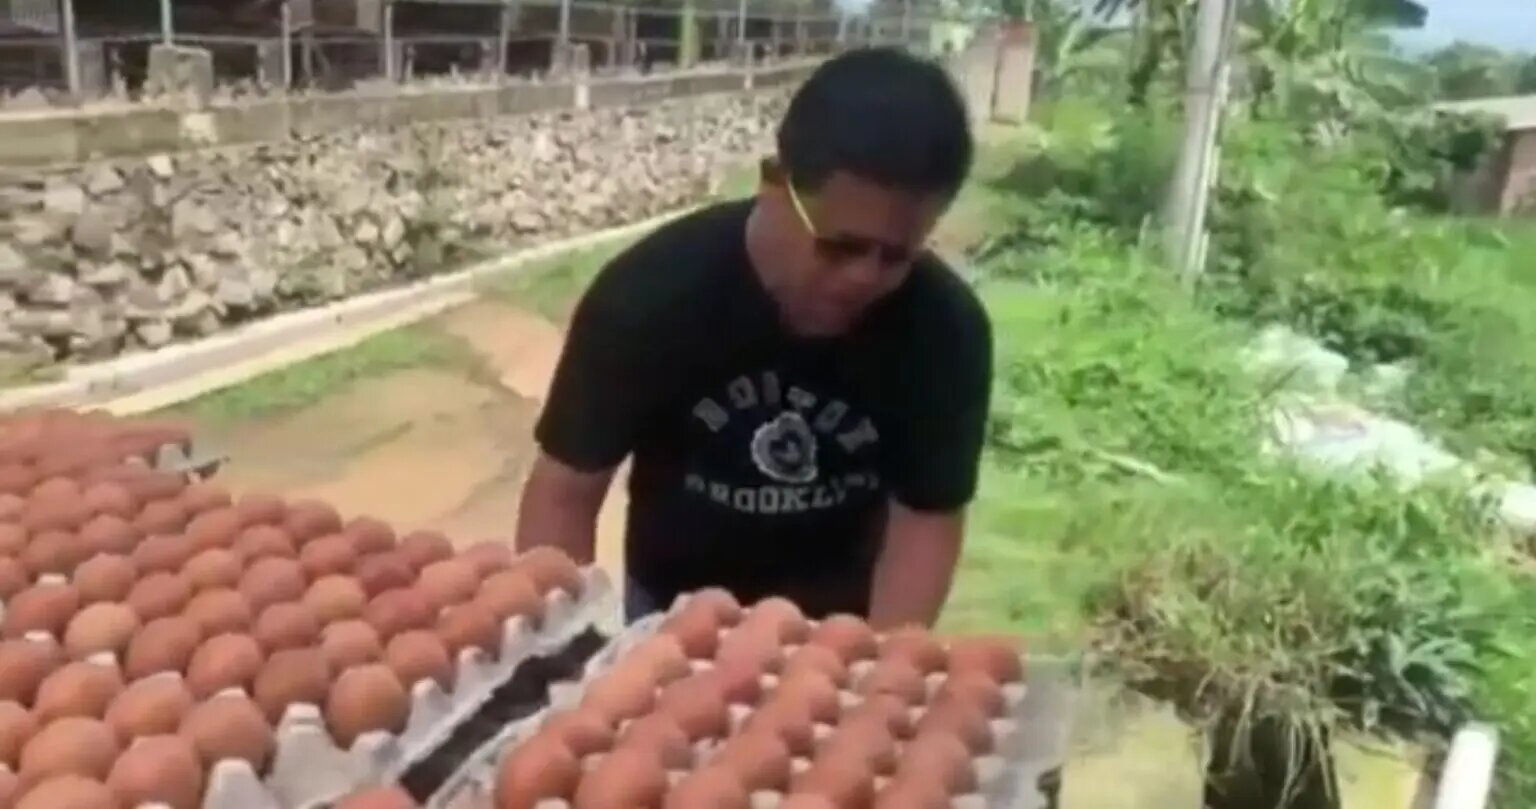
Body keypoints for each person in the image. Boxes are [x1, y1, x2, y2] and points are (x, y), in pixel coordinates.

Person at [514, 46, 992, 628]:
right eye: (839, 246)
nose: (862, 278)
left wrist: (879, 671)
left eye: (896, 255)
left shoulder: (944, 332)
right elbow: (565, 492)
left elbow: (927, 521)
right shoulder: (652, 296)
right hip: (668, 619)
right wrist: (571, 648)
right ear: (775, 184)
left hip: (837, 632)